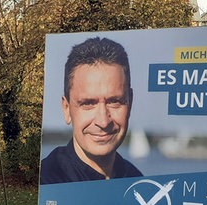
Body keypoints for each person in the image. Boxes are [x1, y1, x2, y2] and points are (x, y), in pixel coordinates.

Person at [40, 37, 142, 184]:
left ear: (130, 103)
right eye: (88, 103)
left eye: (114, 102)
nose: (103, 121)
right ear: (67, 109)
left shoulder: (137, 182)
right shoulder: (45, 182)